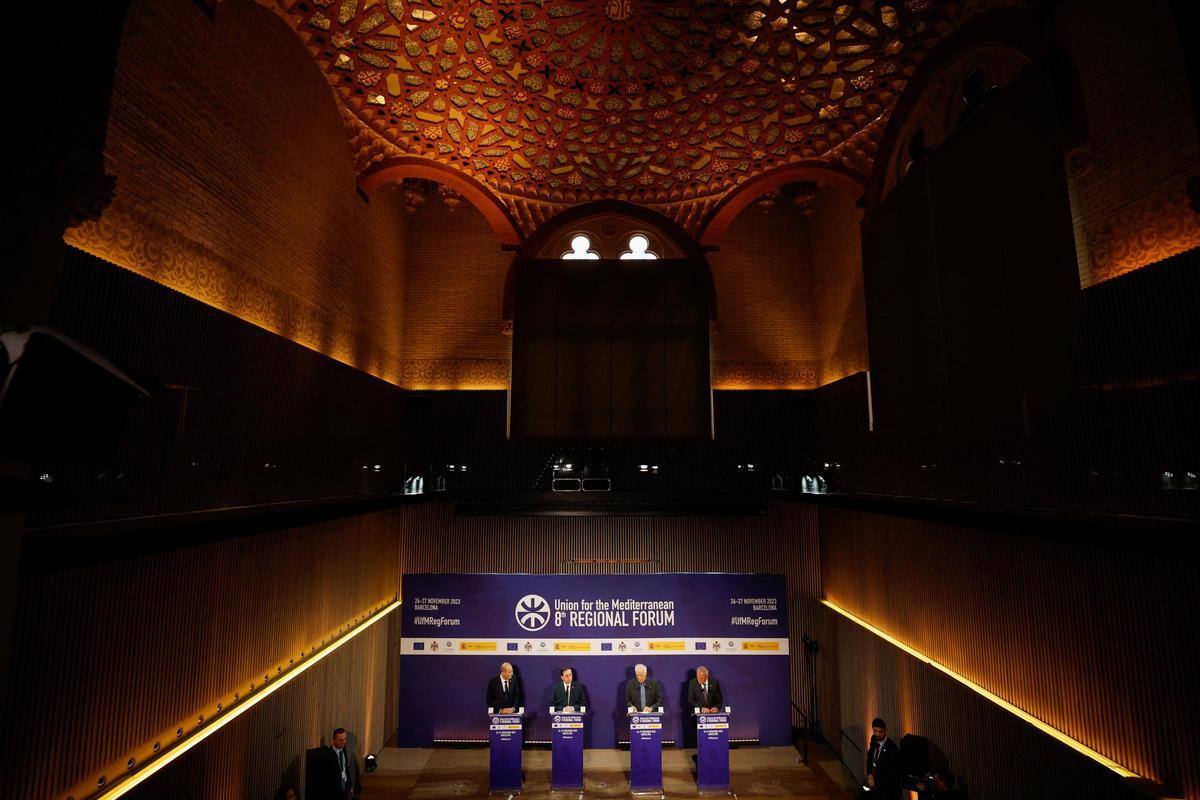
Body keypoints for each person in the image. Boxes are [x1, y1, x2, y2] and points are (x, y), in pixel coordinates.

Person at [310, 727, 359, 800]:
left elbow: (346, 768)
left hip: (344, 787)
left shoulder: (344, 749)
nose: (344, 742)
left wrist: (349, 786)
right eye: (341, 740)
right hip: (334, 791)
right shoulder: (328, 755)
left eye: (345, 739)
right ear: (334, 740)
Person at [865, 717, 902, 799]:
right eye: (875, 731)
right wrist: (869, 775)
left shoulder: (892, 749)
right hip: (873, 786)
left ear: (885, 731)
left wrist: (875, 783)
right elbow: (870, 758)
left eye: (880, 731)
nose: (877, 734)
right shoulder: (873, 739)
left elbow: (892, 775)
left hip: (885, 791)